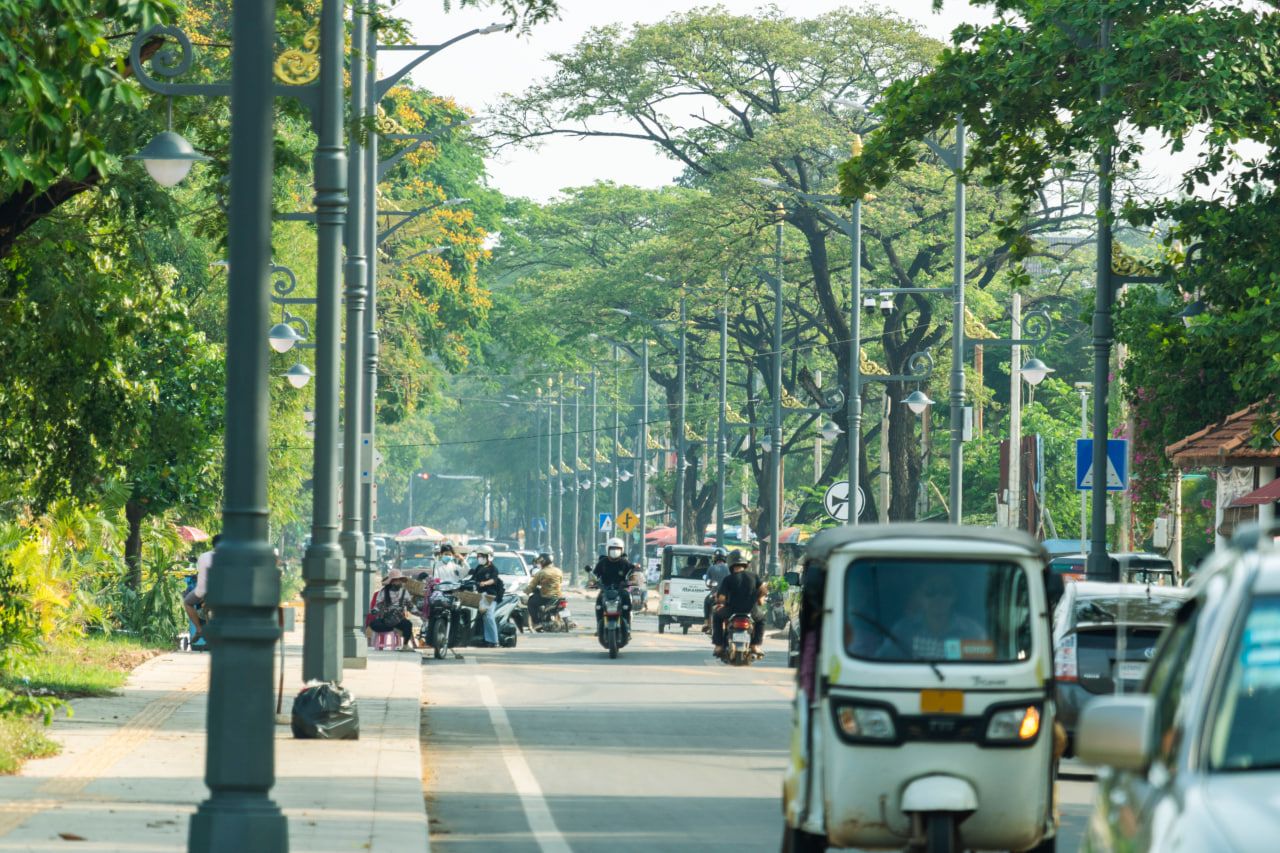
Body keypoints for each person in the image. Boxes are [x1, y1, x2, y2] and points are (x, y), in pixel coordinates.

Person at [876, 570, 987, 660]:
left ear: (955, 596)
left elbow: (985, 670)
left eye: (946, 591)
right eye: (930, 591)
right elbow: (881, 664)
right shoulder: (903, 630)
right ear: (919, 596)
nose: (938, 597)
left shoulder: (973, 632)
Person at [712, 549, 767, 658]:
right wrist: (759, 598)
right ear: (745, 563)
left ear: (731, 564)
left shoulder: (728, 579)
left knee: (717, 616)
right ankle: (755, 645)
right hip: (751, 611)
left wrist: (720, 602)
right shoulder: (754, 576)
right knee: (761, 620)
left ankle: (719, 646)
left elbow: (722, 598)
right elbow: (763, 590)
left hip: (732, 611)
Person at [183, 534, 221, 642]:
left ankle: (199, 630)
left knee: (187, 602)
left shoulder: (203, 556)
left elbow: (202, 572)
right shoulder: (231, 557)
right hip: (225, 592)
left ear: (213, 544)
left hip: (203, 592)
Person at [368, 569, 418, 650]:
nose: (399, 582)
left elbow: (411, 607)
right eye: (397, 581)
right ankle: (393, 628)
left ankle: (405, 645)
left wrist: (419, 612)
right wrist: (375, 610)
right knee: (373, 624)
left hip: (399, 620)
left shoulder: (404, 592)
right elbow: (378, 606)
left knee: (408, 624)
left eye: (400, 580)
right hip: (386, 620)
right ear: (391, 581)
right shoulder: (383, 592)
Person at [593, 536, 634, 635]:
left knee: (627, 603)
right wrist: (593, 582)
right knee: (598, 605)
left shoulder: (625, 562)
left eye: (617, 549)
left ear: (622, 550)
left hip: (621, 590)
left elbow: (633, 574)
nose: (615, 552)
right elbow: (594, 575)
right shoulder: (602, 562)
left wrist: (632, 580)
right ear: (608, 549)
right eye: (612, 549)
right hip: (605, 589)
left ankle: (627, 626)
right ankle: (599, 626)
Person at [468, 544, 503, 646]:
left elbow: (493, 579)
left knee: (488, 615)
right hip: (479, 595)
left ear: (489, 556)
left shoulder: (493, 569)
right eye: (478, 556)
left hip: (490, 596)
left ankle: (494, 641)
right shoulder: (478, 567)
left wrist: (485, 583)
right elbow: (472, 579)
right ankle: (484, 639)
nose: (479, 558)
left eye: (482, 556)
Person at [527, 552, 562, 625]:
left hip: (546, 597)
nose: (540, 563)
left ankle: (537, 622)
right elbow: (560, 581)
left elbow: (532, 586)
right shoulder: (559, 571)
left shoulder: (541, 572)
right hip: (558, 596)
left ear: (543, 562)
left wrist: (525, 591)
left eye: (540, 562)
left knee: (531, 602)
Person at [703, 547, 730, 633]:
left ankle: (706, 623)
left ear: (714, 558)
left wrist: (710, 585)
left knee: (706, 602)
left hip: (715, 595)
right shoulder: (729, 568)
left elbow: (707, 582)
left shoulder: (711, 568)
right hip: (728, 596)